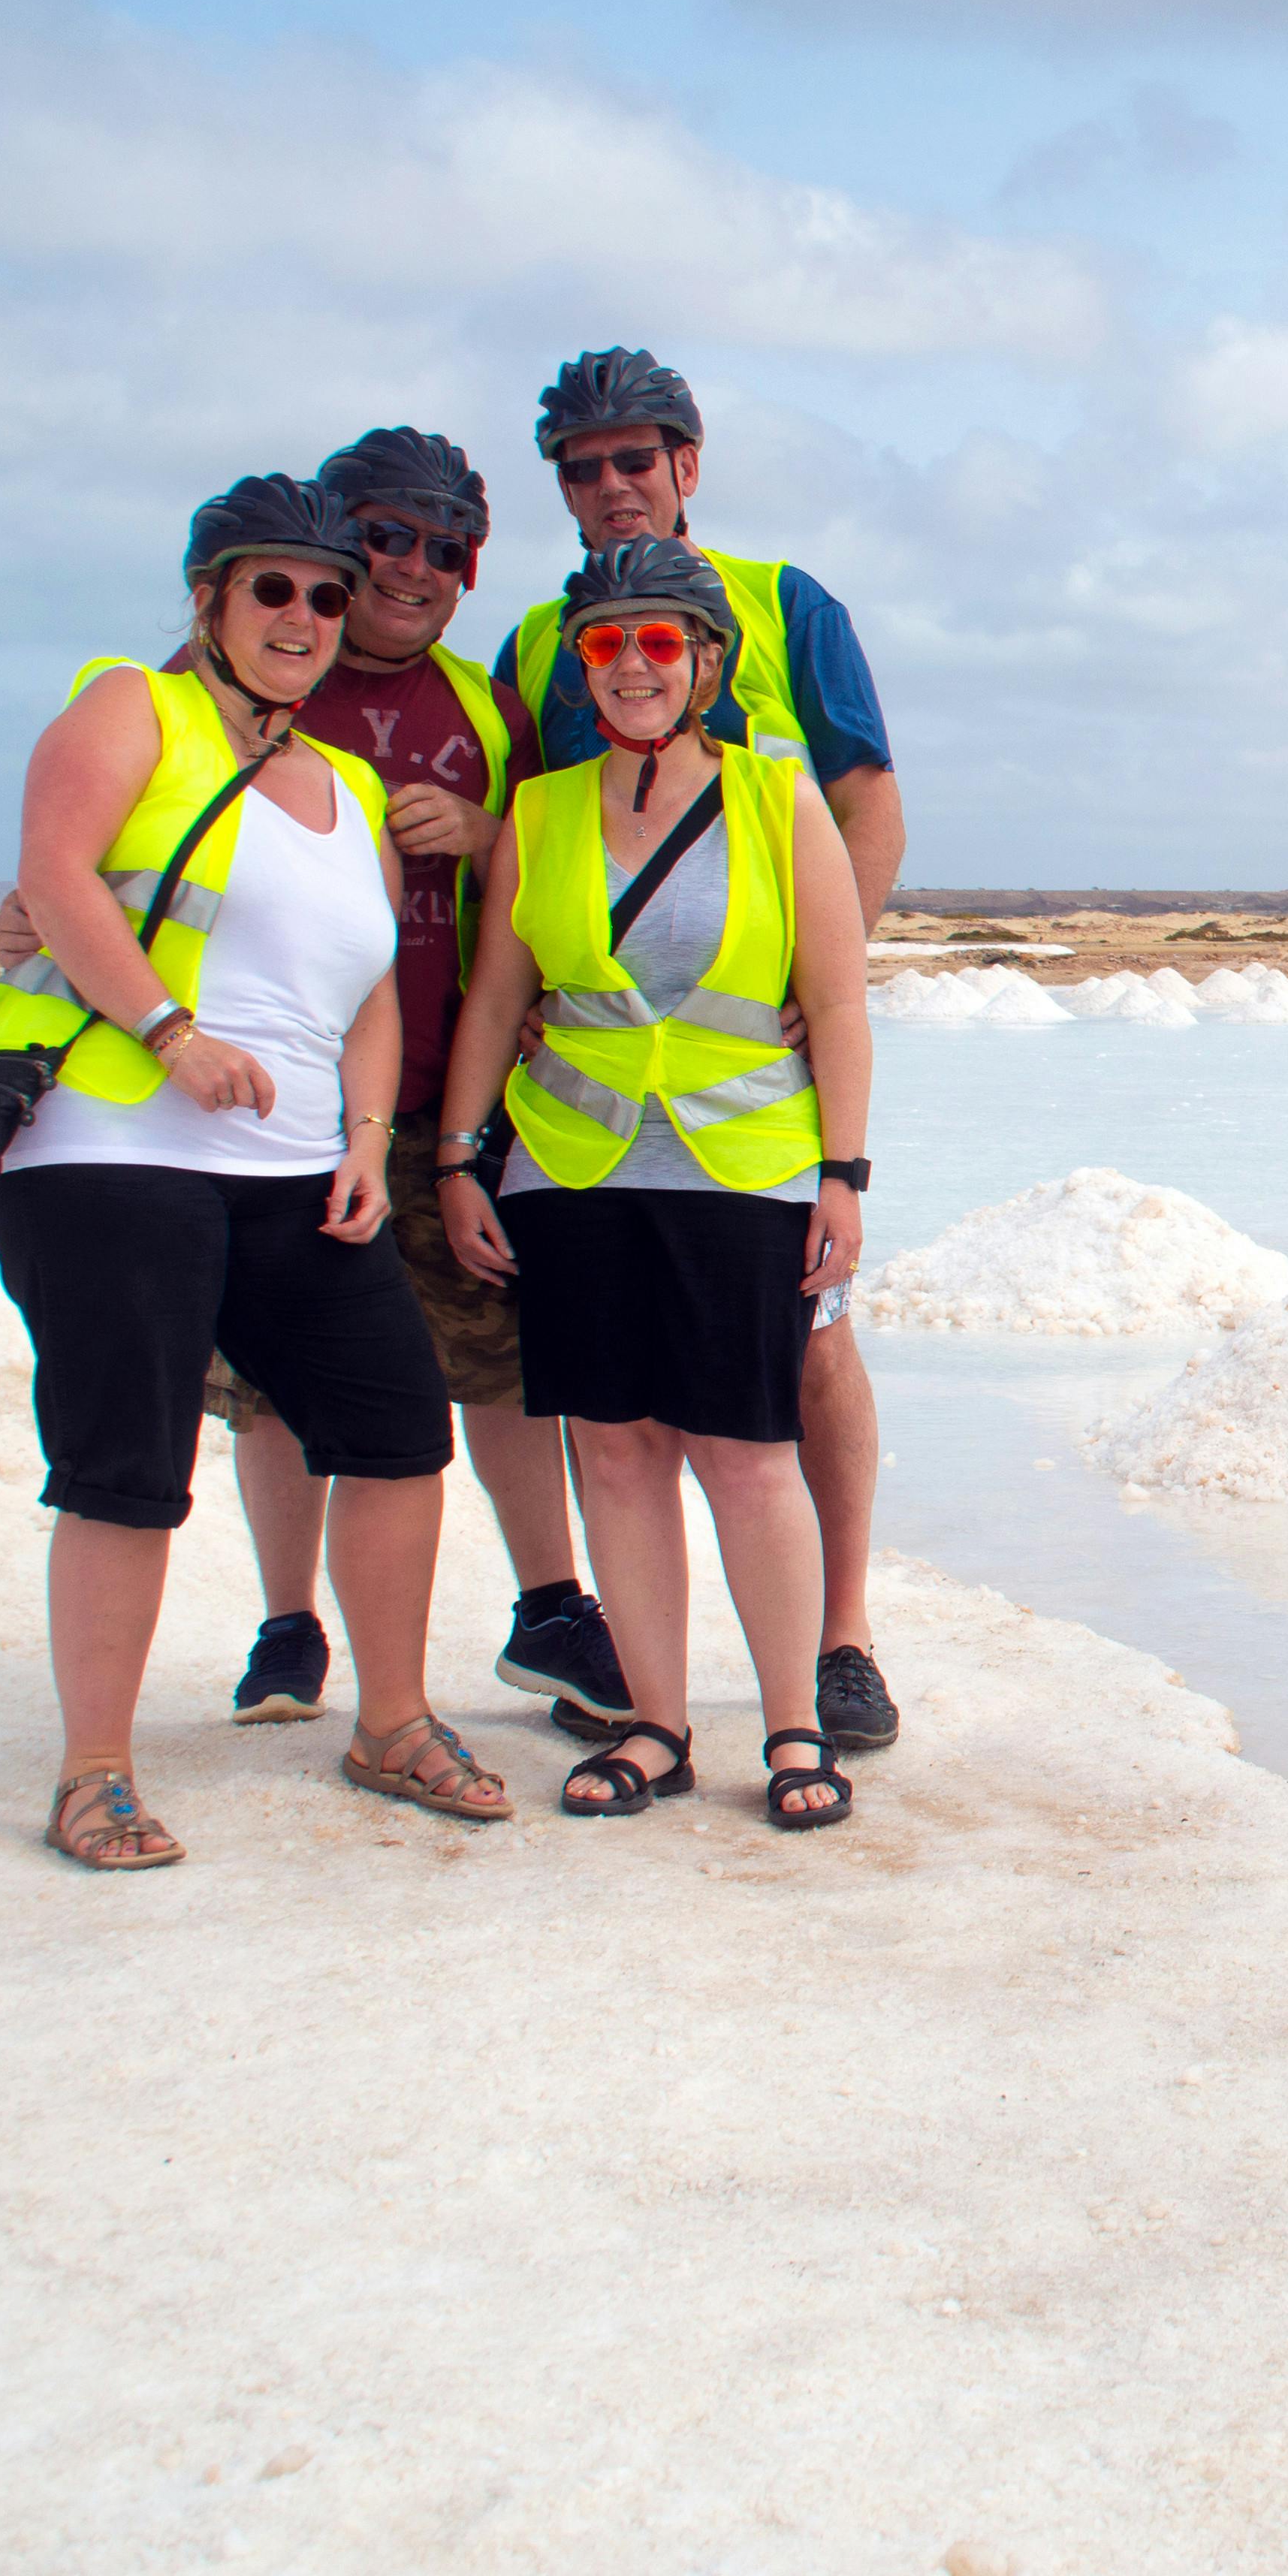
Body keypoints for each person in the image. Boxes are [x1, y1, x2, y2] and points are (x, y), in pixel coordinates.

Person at [0, 428, 620, 1730]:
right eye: (380, 540)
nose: (404, 573)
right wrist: (78, 954)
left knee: (488, 1361)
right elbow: (87, 850)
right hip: (213, 1111)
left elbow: (553, 873)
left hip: (437, 1085)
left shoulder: (481, 705)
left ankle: (551, 1610)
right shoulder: (193, 690)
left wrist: (486, 831)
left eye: (445, 550)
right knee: (266, 1396)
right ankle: (290, 1627)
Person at [0, 475, 505, 1869]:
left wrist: (370, 1145)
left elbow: (373, 992)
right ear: (210, 599)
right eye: (274, 590)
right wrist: (169, 1034)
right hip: (110, 1148)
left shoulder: (349, 785)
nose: (304, 618)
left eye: (327, 596)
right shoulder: (134, 707)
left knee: (394, 1430)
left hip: (293, 1170)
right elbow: (57, 877)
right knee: (127, 1463)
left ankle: (391, 1724)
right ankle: (96, 1773)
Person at [493, 347, 905, 1760]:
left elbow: (870, 807)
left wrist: (819, 968)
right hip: (595, 1115)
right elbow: (518, 842)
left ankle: (840, 1642)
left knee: (812, 1360)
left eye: (633, 459)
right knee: (622, 1424)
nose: (610, 487)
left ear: (686, 461)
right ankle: (654, 1698)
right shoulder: (545, 642)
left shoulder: (787, 605)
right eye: (582, 468)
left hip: (761, 1089)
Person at [442, 538, 874, 1831]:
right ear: (582, 666)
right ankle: (656, 1725)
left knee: (747, 1456)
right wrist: (466, 1158)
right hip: (571, 1171)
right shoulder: (545, 811)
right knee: (616, 1454)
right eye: (607, 643)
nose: (632, 664)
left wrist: (842, 1177)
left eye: (661, 642)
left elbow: (840, 1002)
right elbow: (498, 998)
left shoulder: (778, 800)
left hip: (740, 1173)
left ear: (706, 662)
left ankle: (793, 1726)